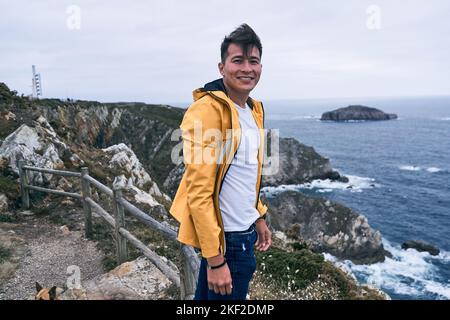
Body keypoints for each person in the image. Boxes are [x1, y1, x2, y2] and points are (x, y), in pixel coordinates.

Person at [170, 23, 272, 300]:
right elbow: (199, 190)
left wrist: (258, 215)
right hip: (227, 242)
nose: (247, 68)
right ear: (222, 67)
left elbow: (246, 173)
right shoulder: (206, 111)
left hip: (242, 233)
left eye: (254, 61)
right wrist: (215, 260)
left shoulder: (252, 109)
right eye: (237, 60)